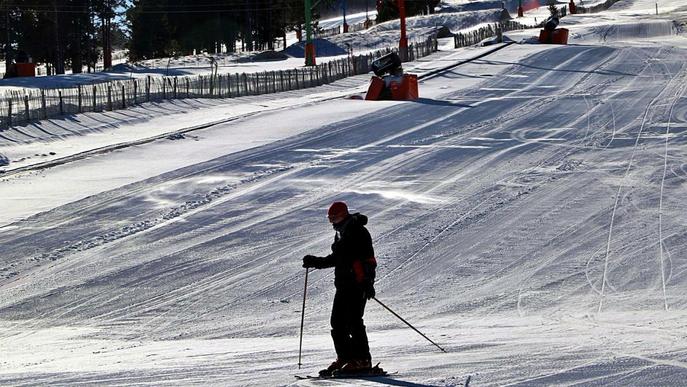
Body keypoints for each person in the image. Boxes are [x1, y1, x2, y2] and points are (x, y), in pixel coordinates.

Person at [303, 201, 377, 376]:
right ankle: (345, 358)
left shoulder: (356, 231)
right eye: (329, 218)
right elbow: (340, 257)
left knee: (353, 322)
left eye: (334, 217)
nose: (332, 222)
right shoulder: (343, 231)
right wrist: (316, 261)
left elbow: (347, 258)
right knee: (337, 323)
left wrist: (367, 282)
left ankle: (362, 360)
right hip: (344, 285)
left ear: (343, 214)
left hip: (357, 283)